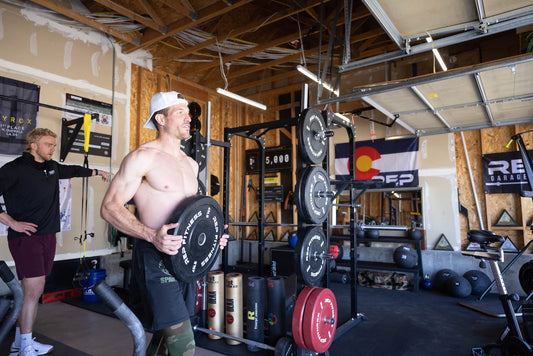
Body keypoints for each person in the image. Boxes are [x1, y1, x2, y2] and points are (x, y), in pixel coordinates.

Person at [100, 91, 229, 355]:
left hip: (185, 260)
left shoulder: (191, 165)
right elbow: (109, 207)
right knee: (183, 344)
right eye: (180, 112)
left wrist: (212, 239)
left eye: (188, 113)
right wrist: (150, 235)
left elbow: (191, 216)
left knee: (164, 338)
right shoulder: (142, 157)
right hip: (155, 256)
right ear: (161, 119)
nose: (188, 118)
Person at [0, 127, 112, 356]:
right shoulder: (14, 169)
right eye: (48, 144)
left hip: (48, 236)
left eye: (53, 144)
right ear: (33, 145)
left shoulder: (51, 168)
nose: (53, 148)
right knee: (33, 291)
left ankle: (20, 343)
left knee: (31, 290)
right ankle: (25, 346)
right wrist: (11, 222)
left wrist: (97, 171)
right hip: (26, 238)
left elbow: (72, 169)